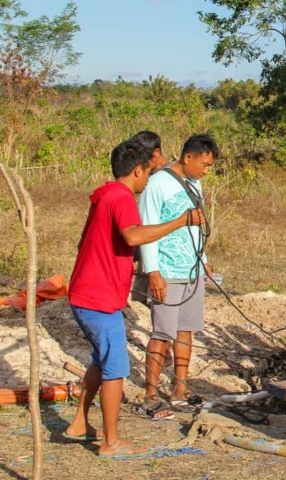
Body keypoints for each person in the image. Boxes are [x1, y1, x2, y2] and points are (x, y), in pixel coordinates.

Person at [63, 139, 205, 457]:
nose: (148, 180)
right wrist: (181, 221)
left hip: (87, 292)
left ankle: (79, 424)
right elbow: (133, 236)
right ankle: (111, 442)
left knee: (101, 361)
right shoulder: (122, 197)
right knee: (115, 367)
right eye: (148, 173)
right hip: (98, 298)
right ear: (138, 170)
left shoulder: (103, 194)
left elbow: (85, 242)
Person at [139, 133, 218, 419]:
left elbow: (196, 226)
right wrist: (153, 272)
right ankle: (150, 393)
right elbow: (146, 230)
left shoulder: (194, 185)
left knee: (186, 330)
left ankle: (180, 388)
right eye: (205, 164)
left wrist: (204, 260)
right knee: (162, 333)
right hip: (167, 271)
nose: (206, 171)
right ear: (188, 157)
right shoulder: (157, 185)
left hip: (192, 269)